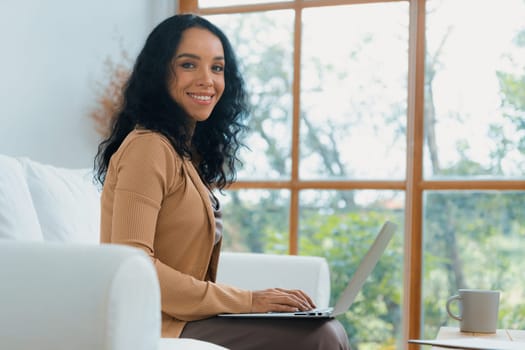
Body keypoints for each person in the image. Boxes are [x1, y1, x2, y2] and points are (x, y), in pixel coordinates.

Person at [94, 13, 350, 350]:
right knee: (322, 336)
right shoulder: (148, 148)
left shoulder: (183, 153)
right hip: (153, 322)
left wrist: (249, 305)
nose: (207, 80)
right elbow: (134, 266)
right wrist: (249, 301)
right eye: (188, 65)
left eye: (217, 68)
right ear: (158, 72)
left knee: (327, 330)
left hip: (186, 317)